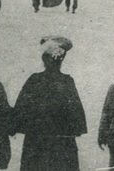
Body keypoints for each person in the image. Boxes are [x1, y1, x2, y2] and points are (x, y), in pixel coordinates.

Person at [11, 36, 87, 171]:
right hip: (62, 148)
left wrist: (15, 127)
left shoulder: (34, 80)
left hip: (36, 146)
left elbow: (19, 111)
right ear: (61, 61)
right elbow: (77, 115)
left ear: (44, 60)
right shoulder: (67, 82)